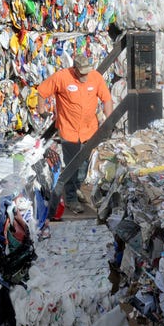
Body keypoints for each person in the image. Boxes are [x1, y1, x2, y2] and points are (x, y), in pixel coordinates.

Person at [36, 53, 113, 214]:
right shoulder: (62, 77)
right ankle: (71, 199)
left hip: (89, 130)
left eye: (87, 72)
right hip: (68, 129)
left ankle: (77, 188)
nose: (85, 76)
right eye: (82, 73)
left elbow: (106, 99)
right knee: (71, 166)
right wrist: (42, 109)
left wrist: (109, 120)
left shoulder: (96, 78)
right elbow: (42, 91)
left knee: (84, 165)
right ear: (75, 69)